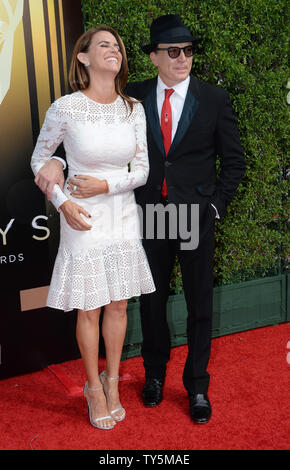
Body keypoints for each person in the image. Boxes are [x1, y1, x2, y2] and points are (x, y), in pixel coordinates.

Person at [34, 15, 246, 424]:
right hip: (147, 213)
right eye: (173, 51)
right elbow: (87, 131)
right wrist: (58, 163)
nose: (182, 58)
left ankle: (197, 386)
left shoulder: (214, 99)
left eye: (188, 50)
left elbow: (233, 161)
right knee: (150, 301)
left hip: (192, 214)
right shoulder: (131, 96)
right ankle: (153, 378)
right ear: (154, 57)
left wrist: (214, 207)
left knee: (200, 302)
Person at [30, 25, 155, 430]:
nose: (113, 50)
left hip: (121, 212)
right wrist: (63, 204)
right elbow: (40, 161)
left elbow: (142, 169)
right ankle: (92, 387)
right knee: (91, 306)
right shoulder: (65, 107)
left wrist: (106, 184)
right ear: (83, 58)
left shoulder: (132, 108)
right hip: (82, 217)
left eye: (117, 45)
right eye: (104, 45)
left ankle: (113, 381)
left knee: (118, 303)